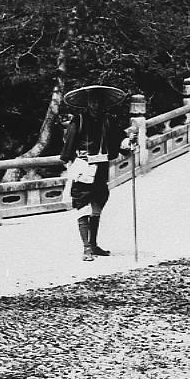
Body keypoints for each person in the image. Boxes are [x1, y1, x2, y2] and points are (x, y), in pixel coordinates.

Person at [60, 93, 127, 261]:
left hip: (102, 167)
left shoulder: (108, 120)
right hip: (84, 166)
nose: (96, 104)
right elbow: (69, 142)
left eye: (99, 101)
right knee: (82, 204)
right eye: (93, 101)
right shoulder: (79, 120)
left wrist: (127, 142)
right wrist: (68, 161)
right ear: (87, 103)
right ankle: (86, 248)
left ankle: (94, 244)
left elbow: (118, 137)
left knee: (98, 204)